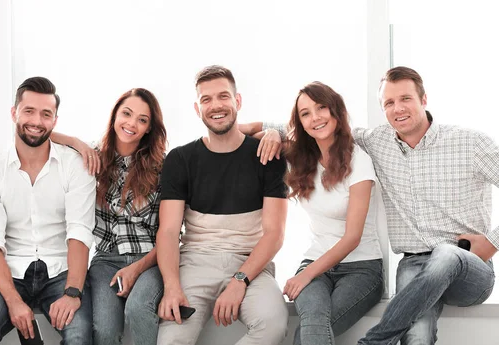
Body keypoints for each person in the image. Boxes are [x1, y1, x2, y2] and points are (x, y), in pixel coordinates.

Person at [251, 66, 499, 345]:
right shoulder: (377, 142)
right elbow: (319, 128)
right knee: (417, 335)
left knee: (446, 254)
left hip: (468, 266)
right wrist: (269, 131)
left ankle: (375, 342)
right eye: (389, 103)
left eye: (405, 99)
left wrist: (492, 241)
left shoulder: (470, 143)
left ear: (424, 99)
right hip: (414, 263)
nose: (398, 109)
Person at [156, 65, 289, 345]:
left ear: (237, 101)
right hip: (194, 263)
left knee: (272, 324)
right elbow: (168, 231)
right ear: (197, 108)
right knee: (171, 341)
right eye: (206, 99)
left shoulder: (268, 155)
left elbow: (274, 234)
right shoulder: (180, 159)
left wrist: (240, 280)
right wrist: (171, 287)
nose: (216, 105)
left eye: (223, 97)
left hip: (250, 263)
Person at [0, 77, 95, 345]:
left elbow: (79, 232)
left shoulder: (75, 166)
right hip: (8, 271)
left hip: (61, 270)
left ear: (55, 121)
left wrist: (72, 292)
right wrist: (14, 301)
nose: (37, 121)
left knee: (80, 337)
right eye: (29, 111)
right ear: (14, 113)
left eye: (46, 114)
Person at [51, 88, 167, 345]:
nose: (131, 123)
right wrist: (78, 143)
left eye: (142, 119)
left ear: (149, 128)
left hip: (149, 259)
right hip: (106, 261)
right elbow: (41, 133)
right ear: (115, 115)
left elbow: (170, 236)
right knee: (104, 331)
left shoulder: (162, 167)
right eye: (126, 113)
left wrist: (136, 268)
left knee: (137, 310)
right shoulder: (92, 157)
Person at [279, 82, 383, 345]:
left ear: (335, 110)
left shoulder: (359, 160)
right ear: (300, 123)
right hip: (315, 261)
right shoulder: (301, 158)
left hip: (361, 268)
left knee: (309, 333)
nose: (315, 117)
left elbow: (352, 238)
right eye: (305, 113)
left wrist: (304, 275)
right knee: (312, 323)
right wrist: (270, 132)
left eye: (321, 107)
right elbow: (245, 130)